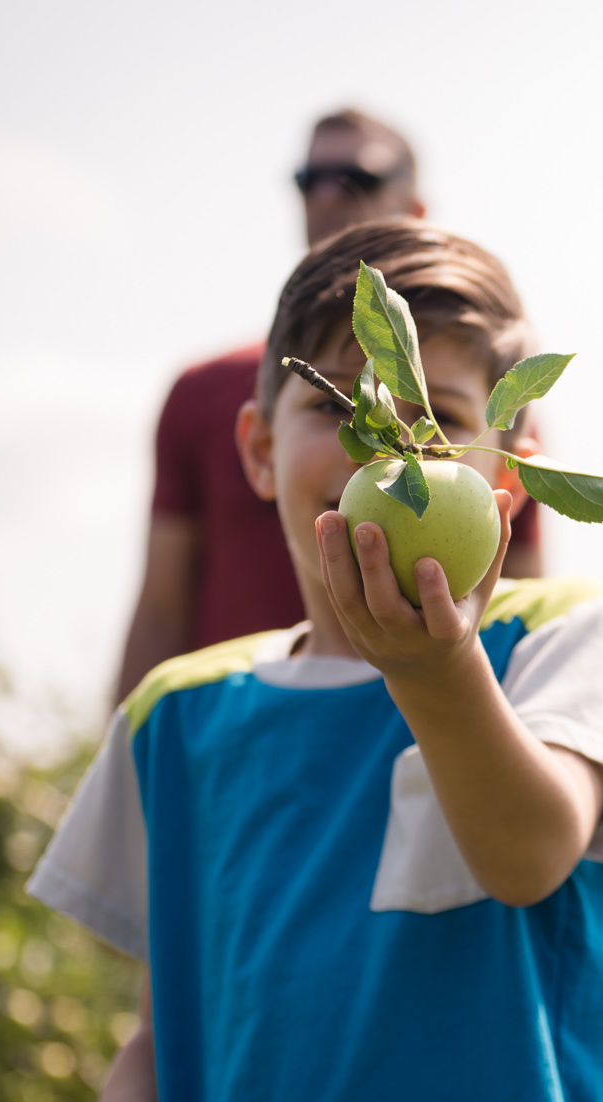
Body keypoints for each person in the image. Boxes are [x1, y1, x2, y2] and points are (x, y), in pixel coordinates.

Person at [0, 220, 603, 1102]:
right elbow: (170, 1029)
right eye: (338, 406)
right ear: (259, 450)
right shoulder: (180, 717)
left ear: (505, 475)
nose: (391, 449)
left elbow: (527, 853)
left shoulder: (558, 643)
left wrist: (438, 671)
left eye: (440, 420)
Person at [114, 109, 544, 706]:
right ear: (260, 445)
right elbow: (162, 600)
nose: (327, 195)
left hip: (436, 715)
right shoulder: (210, 391)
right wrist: (133, 742)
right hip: (244, 729)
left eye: (357, 177)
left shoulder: (479, 413)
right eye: (308, 179)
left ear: (415, 205)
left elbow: (517, 577)